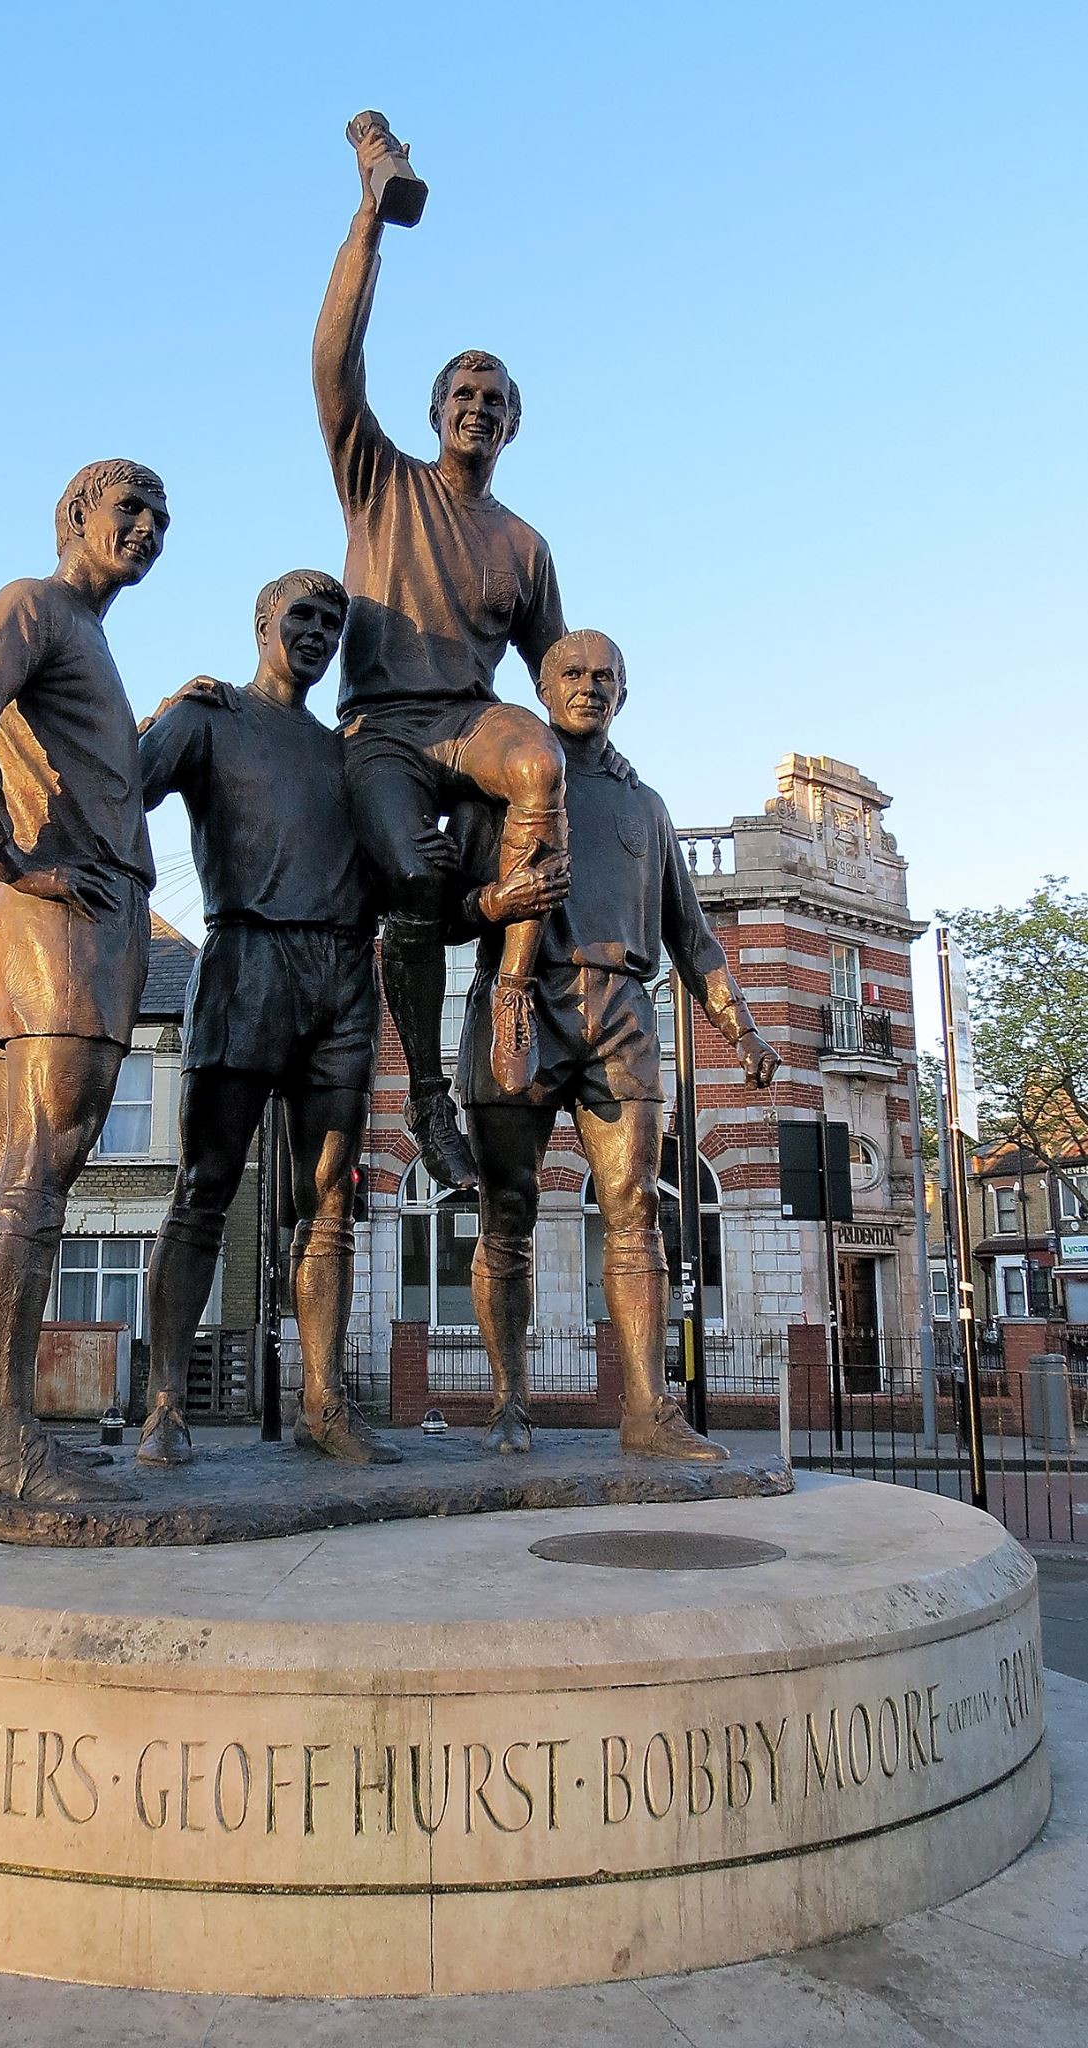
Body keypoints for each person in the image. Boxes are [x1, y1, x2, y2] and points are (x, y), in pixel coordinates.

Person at [313, 113, 583, 1192]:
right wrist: (369, 218)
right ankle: (426, 1092)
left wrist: (602, 766)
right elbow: (333, 356)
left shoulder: (522, 542)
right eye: (460, 395)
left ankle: (508, 996)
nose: (476, 409)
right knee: (413, 875)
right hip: (381, 726)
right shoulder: (379, 479)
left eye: (495, 401)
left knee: (539, 763)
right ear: (432, 413)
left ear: (513, 425)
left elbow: (559, 678)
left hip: (466, 724)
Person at [459, 630, 780, 1459]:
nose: (589, 687)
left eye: (606, 677)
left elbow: (692, 936)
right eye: (572, 673)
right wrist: (497, 899)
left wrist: (738, 1027)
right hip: (520, 1002)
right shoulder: (498, 789)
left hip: (621, 1009)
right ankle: (507, 1402)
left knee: (635, 1210)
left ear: (623, 696)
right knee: (508, 1213)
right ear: (541, 687)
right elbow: (440, 905)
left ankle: (646, 1411)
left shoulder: (646, 806)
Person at [0, 459, 168, 1500]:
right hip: (62, 919)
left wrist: (162, 717)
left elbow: (100, 773)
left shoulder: (88, 637)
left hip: (88, 918)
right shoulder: (37, 605)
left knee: (24, 1179)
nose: (149, 527)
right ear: (75, 513)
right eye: (130, 508)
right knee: (30, 1182)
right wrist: (3, 857)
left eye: (161, 517)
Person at [136, 570, 399, 1467]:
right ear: (262, 623)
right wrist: (159, 709)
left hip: (340, 977)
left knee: (329, 1204)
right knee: (204, 1189)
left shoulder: (347, 752)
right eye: (303, 616)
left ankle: (323, 1403)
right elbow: (123, 785)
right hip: (247, 961)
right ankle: (165, 1406)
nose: (318, 632)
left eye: (332, 621)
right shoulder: (211, 717)